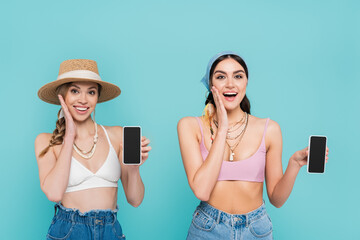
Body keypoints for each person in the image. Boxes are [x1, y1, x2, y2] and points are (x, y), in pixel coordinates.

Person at [177, 51, 329, 239]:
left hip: (256, 229)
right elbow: (202, 190)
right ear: (210, 84)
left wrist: (294, 164)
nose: (230, 83)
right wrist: (223, 127)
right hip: (207, 228)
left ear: (246, 83)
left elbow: (277, 199)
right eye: (221, 77)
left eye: (238, 76)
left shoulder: (269, 129)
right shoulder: (190, 126)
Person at [35, 59, 151, 240]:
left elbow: (135, 200)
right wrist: (69, 136)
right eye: (74, 91)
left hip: (110, 231)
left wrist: (134, 169)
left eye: (91, 92)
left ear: (97, 97)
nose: (83, 99)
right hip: (68, 231)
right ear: (62, 96)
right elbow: (54, 193)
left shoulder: (117, 135)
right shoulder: (46, 141)